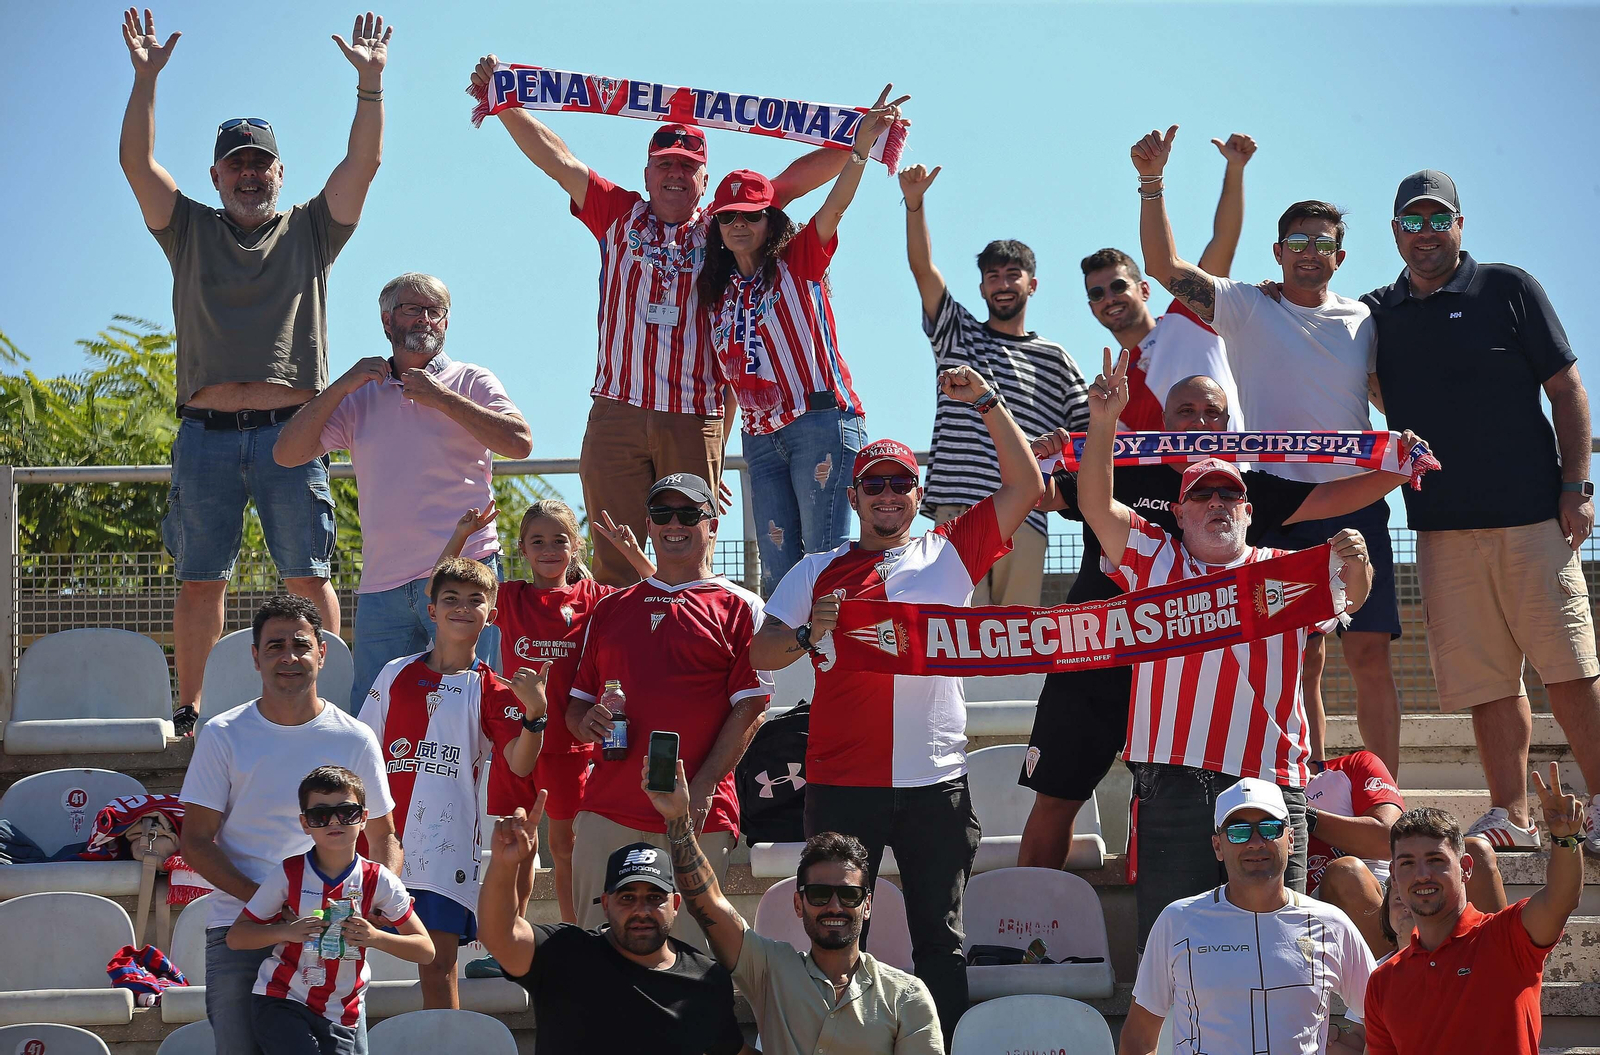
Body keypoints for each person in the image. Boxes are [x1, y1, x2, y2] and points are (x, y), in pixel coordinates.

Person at [470, 55, 872, 587]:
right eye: (666, 164)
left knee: (688, 557)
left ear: (704, 179)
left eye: (688, 166)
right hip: (617, 411)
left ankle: (690, 658)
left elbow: (791, 185)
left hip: (692, 416)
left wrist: (859, 140)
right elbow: (556, 157)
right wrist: (505, 102)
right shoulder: (616, 212)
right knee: (615, 553)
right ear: (647, 173)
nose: (676, 175)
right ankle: (621, 665)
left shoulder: (725, 226)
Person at [1018, 375, 1428, 869]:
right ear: (1164, 422)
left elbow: (1327, 500)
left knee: (1202, 806)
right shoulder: (1119, 471)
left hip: (1185, 682)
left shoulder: (1242, 489)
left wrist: (1401, 468)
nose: (1199, 422)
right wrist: (1041, 453)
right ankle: (1033, 928)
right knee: (1057, 800)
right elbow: (1038, 494)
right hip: (1099, 660)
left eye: (1212, 412)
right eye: (1186, 411)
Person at [748, 365, 1045, 1040]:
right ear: (853, 495)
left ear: (919, 494)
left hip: (934, 782)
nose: (887, 494)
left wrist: (990, 403)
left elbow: (1026, 486)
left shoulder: (950, 551)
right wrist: (807, 632)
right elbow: (761, 652)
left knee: (939, 938)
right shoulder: (815, 568)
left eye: (901, 482)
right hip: (841, 779)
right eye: (874, 483)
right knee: (836, 928)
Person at [119, 9, 388, 731]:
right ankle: (192, 708)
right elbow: (137, 168)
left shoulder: (310, 229)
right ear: (216, 174)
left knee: (308, 575)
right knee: (200, 579)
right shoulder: (188, 229)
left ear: (278, 171)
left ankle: (330, 705)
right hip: (205, 434)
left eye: (259, 161)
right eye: (235, 162)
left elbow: (361, 166)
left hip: (290, 433)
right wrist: (145, 81)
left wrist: (370, 86)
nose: (248, 173)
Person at [1074, 350, 1373, 951]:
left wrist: (1360, 563)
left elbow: (1354, 599)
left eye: (1228, 495)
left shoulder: (1284, 572)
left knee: (1279, 944)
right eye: (1202, 495)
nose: (1216, 503)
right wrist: (1103, 422)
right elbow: (1094, 506)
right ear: (1178, 512)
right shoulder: (1154, 558)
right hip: (1172, 781)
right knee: (1176, 943)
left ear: (1248, 510)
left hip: (1267, 781)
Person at [1132, 125, 1405, 778]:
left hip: (1354, 497)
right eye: (1299, 243)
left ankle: (1390, 804)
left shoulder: (1364, 320)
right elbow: (1167, 268)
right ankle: (1300, 785)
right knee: (1299, 653)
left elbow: (1388, 400)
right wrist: (1152, 182)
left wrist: (1412, 448)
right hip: (1278, 502)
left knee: (1369, 653)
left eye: (1323, 243)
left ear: (1340, 255)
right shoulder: (1248, 305)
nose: (1310, 253)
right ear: (1278, 251)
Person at [1362, 170, 1600, 854]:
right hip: (1440, 531)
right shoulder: (1378, 310)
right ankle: (1510, 813)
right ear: (1396, 232)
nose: (1426, 233)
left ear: (1461, 225)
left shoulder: (1508, 288)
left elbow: (1569, 389)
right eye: (1413, 221)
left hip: (1534, 519)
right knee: (1488, 680)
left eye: (1439, 219)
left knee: (1570, 667)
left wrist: (1576, 486)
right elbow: (1348, 365)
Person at [273, 273, 532, 712]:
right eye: (413, 309)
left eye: (436, 312)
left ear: (446, 324)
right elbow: (286, 453)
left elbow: (520, 443)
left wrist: (443, 398)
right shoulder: (361, 394)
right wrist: (342, 385)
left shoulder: (471, 379)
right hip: (383, 587)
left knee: (472, 708)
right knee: (373, 715)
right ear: (387, 322)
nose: (426, 320)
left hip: (464, 576)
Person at [701, 89, 903, 594]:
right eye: (728, 216)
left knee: (825, 558)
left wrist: (858, 152)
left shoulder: (799, 259)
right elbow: (730, 386)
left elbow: (834, 207)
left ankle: (834, 665)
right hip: (759, 436)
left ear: (771, 218)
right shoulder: (718, 296)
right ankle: (788, 673)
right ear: (718, 227)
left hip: (820, 421)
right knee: (778, 573)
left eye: (750, 214)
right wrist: (720, 453)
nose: (739, 223)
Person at [179, 596, 398, 1055]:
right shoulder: (222, 733)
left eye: (300, 644)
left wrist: (379, 897)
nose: (289, 657)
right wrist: (271, 907)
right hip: (241, 928)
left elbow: (384, 837)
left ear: (322, 652)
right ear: (255, 656)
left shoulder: (355, 738)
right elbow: (196, 842)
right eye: (274, 645)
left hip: (330, 935)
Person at [566, 473, 772, 949]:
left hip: (695, 813)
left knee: (687, 965)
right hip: (607, 810)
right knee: (595, 960)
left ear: (713, 525)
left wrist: (700, 789)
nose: (674, 524)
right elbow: (577, 705)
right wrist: (587, 721)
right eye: (663, 514)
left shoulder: (741, 607)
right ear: (649, 526)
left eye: (688, 514)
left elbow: (752, 710)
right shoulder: (612, 607)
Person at [433, 501, 652, 948]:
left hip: (569, 746)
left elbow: (662, 593)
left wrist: (632, 553)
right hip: (516, 741)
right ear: (522, 549)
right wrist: (460, 536)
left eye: (559, 540)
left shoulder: (594, 597)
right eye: (538, 541)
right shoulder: (510, 597)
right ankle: (509, 939)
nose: (549, 549)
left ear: (575, 548)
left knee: (565, 849)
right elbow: (444, 583)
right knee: (516, 844)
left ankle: (575, 941)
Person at [644, 756, 944, 1054]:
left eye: (849, 895)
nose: (834, 906)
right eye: (819, 894)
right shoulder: (770, 970)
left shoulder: (906, 995)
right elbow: (706, 904)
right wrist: (678, 820)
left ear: (867, 905)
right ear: (798, 904)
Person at [356, 557, 546, 1009]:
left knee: (438, 969)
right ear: (432, 609)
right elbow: (360, 754)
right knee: (345, 957)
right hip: (380, 843)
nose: (462, 608)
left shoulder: (495, 689)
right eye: (451, 600)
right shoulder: (394, 673)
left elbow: (519, 764)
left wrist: (536, 716)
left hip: (445, 850)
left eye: (474, 600)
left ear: (491, 615)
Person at [899, 164, 1088, 606]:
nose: (1002, 285)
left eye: (1012, 275)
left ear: (1032, 283)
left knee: (1014, 642)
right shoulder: (957, 333)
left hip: (1028, 513)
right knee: (956, 630)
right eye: (993, 277)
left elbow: (1092, 433)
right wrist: (914, 203)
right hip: (959, 508)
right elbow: (923, 269)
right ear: (981, 288)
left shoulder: (1056, 359)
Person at [478, 797, 752, 1055]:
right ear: (606, 903)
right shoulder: (564, 952)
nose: (641, 911)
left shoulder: (706, 980)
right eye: (627, 898)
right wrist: (504, 866)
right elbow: (500, 934)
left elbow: (733, 1051)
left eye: (654, 898)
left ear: (676, 904)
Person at [1119, 778, 1374, 1055]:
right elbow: (1139, 1039)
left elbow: (1385, 1014)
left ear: (1290, 840)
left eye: (1269, 828)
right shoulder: (1178, 921)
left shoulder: (1331, 924)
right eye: (1239, 832)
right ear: (1218, 846)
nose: (1255, 842)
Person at [1363, 775, 1589, 1054]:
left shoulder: (1507, 936)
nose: (1422, 875)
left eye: (1436, 861)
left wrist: (1566, 838)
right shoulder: (1382, 982)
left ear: (1466, 868)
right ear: (1394, 877)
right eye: (1407, 863)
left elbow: (1561, 899)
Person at [226, 767, 433, 1055]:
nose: (334, 821)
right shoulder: (289, 873)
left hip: (341, 1013)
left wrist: (375, 937)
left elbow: (425, 950)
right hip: (283, 998)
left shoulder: (379, 879)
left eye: (346, 812)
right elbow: (236, 937)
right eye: (320, 815)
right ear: (305, 823)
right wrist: (288, 931)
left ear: (363, 818)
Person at [1081, 132, 1257, 431]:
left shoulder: (1188, 316)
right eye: (1098, 293)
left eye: (1119, 286)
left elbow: (1223, 242)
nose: (1109, 297)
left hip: (1232, 474)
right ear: (1091, 308)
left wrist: (1235, 168)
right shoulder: (1114, 390)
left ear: (1145, 289)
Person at [1305, 749, 1508, 956]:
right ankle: (1402, 976)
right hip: (1336, 903)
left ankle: (1497, 967)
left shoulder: (1353, 765)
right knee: (1346, 873)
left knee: (1475, 850)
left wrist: (1306, 815)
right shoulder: (1270, 789)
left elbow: (1387, 838)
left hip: (1397, 882)